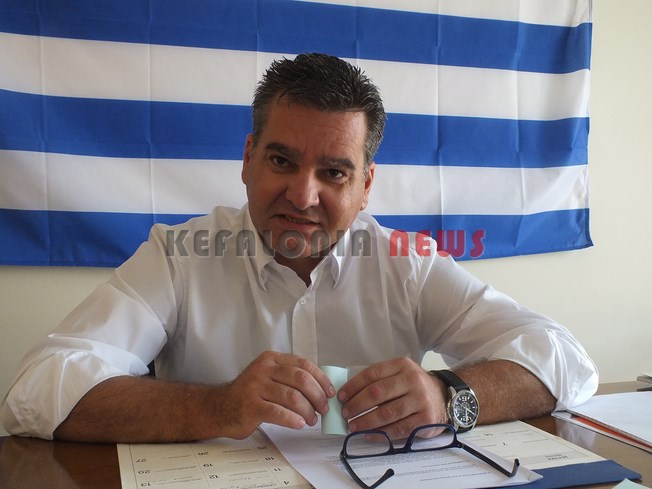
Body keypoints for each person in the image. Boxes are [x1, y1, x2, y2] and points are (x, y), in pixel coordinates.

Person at [1, 53, 598, 443]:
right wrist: (216, 407)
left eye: (334, 173)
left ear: (365, 186)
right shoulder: (179, 256)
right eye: (282, 161)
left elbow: (568, 361)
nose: (302, 195)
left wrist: (449, 396)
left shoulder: (407, 263)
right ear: (247, 159)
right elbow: (35, 390)